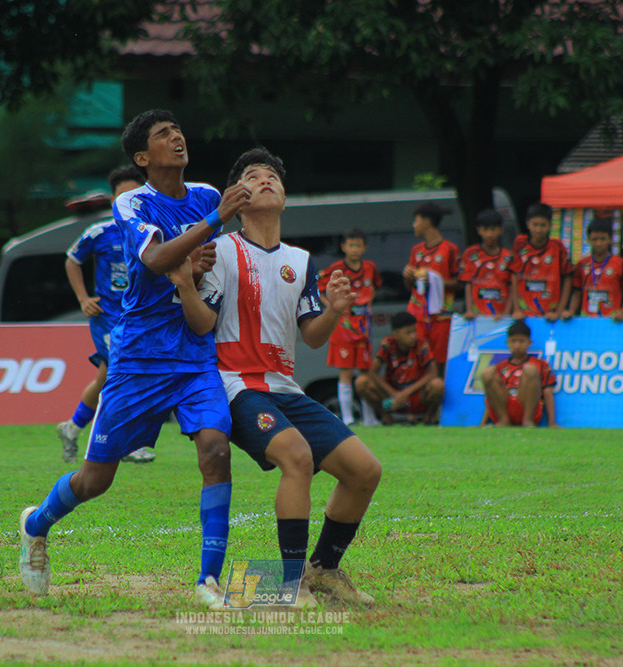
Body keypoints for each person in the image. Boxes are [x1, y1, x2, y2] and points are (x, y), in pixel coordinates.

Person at [17, 109, 251, 609]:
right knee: (94, 480)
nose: (178, 136)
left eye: (179, 129)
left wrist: (206, 257)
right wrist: (209, 230)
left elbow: (199, 262)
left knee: (215, 448)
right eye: (164, 134)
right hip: (139, 360)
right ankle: (36, 525)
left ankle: (207, 581)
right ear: (143, 157)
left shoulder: (207, 195)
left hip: (193, 354)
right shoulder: (133, 203)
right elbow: (155, 260)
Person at [169, 147, 382, 607]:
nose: (265, 180)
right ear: (237, 197)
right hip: (236, 386)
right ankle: (290, 586)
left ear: (284, 195)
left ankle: (324, 569)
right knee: (298, 457)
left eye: (273, 176)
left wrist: (336, 311)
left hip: (284, 388)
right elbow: (202, 324)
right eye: (252, 176)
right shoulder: (221, 251)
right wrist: (186, 285)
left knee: (364, 471)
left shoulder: (301, 262)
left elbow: (311, 337)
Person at [55, 165, 155, 464]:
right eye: (121, 196)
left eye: (133, 196)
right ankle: (126, 443)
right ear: (113, 199)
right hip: (108, 317)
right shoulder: (99, 232)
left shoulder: (151, 232)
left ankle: (71, 429)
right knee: (125, 372)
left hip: (138, 316)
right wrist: (83, 298)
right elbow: (72, 260)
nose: (126, 202)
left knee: (104, 377)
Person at [317, 228, 382, 426]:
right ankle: (347, 418)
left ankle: (370, 417)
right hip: (343, 325)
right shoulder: (336, 268)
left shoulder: (370, 267)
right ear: (344, 247)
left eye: (358, 245)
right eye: (351, 245)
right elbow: (318, 289)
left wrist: (368, 303)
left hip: (362, 325)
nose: (354, 249)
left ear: (365, 247)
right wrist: (334, 308)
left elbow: (375, 287)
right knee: (345, 371)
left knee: (365, 371)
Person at [355, 312, 444, 425]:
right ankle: (386, 417)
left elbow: (433, 373)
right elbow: (372, 372)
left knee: (437, 384)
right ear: (396, 334)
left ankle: (429, 417)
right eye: (408, 333)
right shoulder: (387, 344)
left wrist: (406, 393)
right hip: (393, 396)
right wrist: (394, 394)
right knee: (361, 382)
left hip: (416, 395)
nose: (413, 336)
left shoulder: (421, 344)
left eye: (414, 331)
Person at [402, 202, 459, 373]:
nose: (414, 225)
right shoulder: (416, 250)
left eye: (416, 220)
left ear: (426, 222)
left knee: (440, 364)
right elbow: (410, 287)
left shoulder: (449, 249)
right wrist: (408, 276)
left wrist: (434, 279)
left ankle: (439, 397)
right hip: (417, 317)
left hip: (440, 317)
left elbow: (460, 284)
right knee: (417, 361)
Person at [480, 320, 558, 428]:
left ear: (529, 343)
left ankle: (527, 421)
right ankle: (504, 420)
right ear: (507, 343)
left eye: (521, 341)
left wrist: (552, 423)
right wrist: (482, 424)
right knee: (487, 373)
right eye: (513, 341)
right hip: (505, 408)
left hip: (527, 408)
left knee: (530, 369)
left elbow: (548, 392)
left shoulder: (540, 364)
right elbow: (491, 397)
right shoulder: (500, 366)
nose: (517, 346)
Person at [509, 203, 572, 321]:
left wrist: (559, 311)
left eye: (543, 225)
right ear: (528, 224)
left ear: (550, 225)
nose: (538, 229)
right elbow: (514, 276)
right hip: (524, 313)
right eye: (535, 225)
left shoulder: (558, 247)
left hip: (551, 314)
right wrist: (517, 309)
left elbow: (568, 278)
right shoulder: (520, 244)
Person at [565, 218, 623, 320]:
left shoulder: (621, 264)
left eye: (602, 239)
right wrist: (571, 311)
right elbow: (577, 293)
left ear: (610, 239)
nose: (599, 243)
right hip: (588, 320)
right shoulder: (582, 264)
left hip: (613, 319)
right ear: (588, 239)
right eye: (595, 239)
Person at [460, 209, 515, 320]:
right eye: (485, 230)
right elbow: (468, 284)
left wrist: (506, 314)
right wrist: (469, 310)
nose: (489, 234)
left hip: (500, 316)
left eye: (493, 229)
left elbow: (512, 288)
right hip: (477, 317)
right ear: (478, 230)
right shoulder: (470, 254)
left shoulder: (508, 257)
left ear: (501, 230)